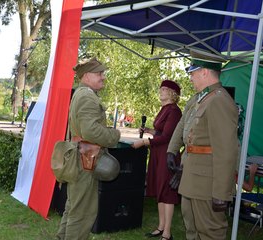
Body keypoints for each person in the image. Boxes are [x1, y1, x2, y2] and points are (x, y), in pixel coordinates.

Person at [167, 51, 239, 240]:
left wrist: (221, 192)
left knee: (210, 233)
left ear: (205, 72)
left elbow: (226, 152)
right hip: (194, 179)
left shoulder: (220, 101)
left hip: (208, 184)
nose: (190, 77)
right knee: (193, 231)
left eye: (193, 72)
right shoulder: (205, 98)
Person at [55, 57, 121, 240]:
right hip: (86, 159)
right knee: (82, 212)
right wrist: (114, 135)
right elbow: (90, 131)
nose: (103, 77)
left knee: (73, 207)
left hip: (81, 157)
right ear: (86, 76)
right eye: (99, 73)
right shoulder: (87, 96)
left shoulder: (82, 93)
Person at [132, 80, 182, 240]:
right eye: (160, 88)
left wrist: (144, 142)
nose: (160, 91)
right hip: (158, 153)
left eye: (164, 89)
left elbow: (167, 137)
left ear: (173, 94)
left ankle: (167, 232)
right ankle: (160, 227)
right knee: (160, 189)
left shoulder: (174, 111)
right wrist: (148, 130)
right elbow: (161, 132)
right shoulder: (164, 109)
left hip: (168, 155)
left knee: (167, 192)